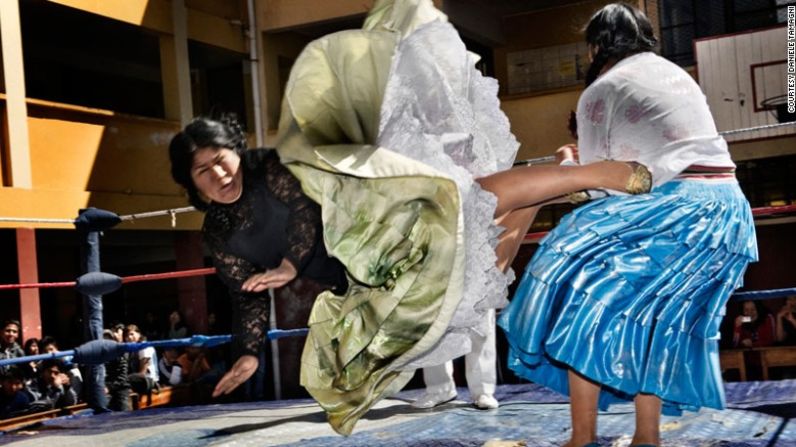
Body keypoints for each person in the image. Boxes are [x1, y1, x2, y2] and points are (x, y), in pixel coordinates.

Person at [167, 1, 649, 435]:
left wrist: (292, 264)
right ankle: (565, 179)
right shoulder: (220, 231)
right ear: (191, 184)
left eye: (219, 159)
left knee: (474, 216)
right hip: (363, 276)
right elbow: (247, 293)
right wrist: (250, 352)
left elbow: (304, 213)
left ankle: (583, 174)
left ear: (235, 150)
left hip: (376, 230)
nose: (216, 173)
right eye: (202, 171)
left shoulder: (270, 168)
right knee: (481, 264)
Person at [497, 4, 758, 447]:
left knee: (572, 290)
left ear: (597, 45)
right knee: (655, 318)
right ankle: (646, 438)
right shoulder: (675, 73)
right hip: (729, 213)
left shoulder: (604, 88)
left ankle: (582, 438)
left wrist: (567, 164)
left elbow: (604, 185)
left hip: (679, 206)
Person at [125, 324, 160, 396]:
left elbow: (142, 373)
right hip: (140, 381)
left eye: (132, 334)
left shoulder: (144, 347)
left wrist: (127, 382)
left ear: (139, 334)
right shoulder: (132, 350)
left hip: (148, 382)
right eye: (127, 336)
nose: (129, 337)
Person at [103, 325, 131, 411]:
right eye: (104, 339)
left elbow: (122, 377)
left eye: (108, 339)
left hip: (119, 388)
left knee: (123, 408)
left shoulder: (120, 353)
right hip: (104, 389)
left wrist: (109, 387)